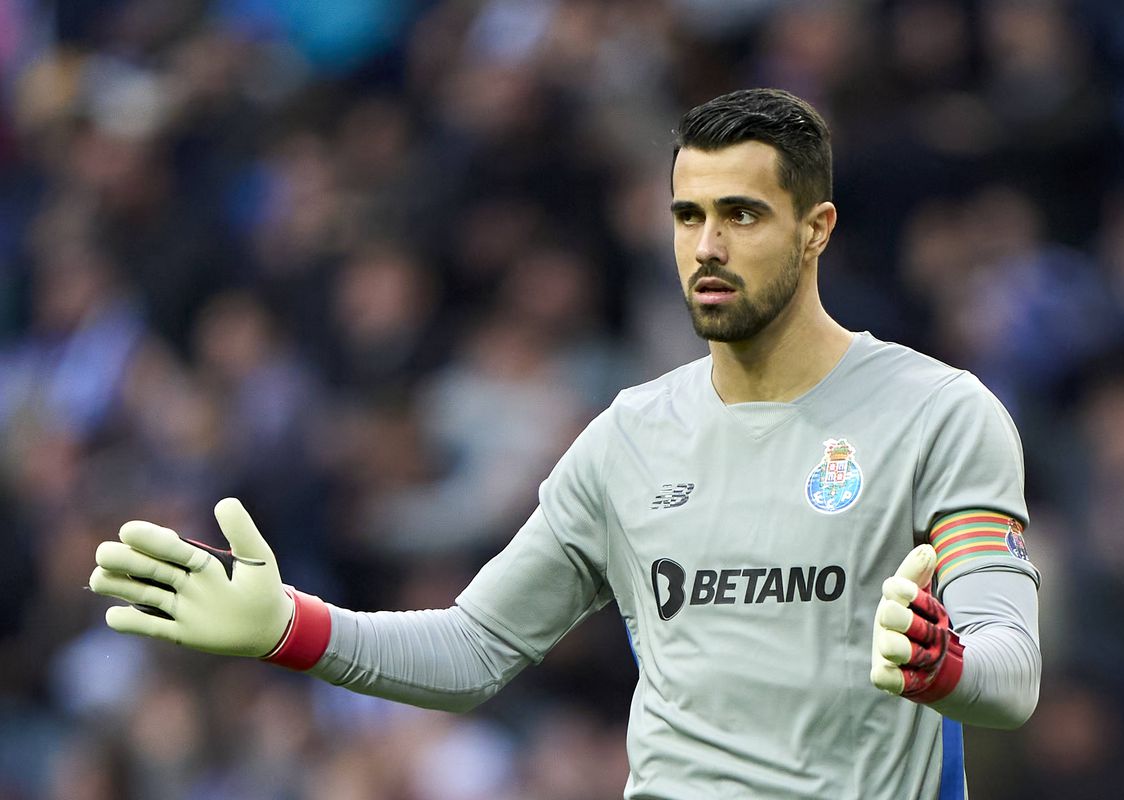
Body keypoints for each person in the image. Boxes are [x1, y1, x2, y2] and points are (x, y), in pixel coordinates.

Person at [89, 88, 1041, 799]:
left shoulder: (937, 415)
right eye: (688, 216)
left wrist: (946, 667)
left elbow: (1012, 667)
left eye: (742, 215)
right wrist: (288, 628)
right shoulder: (629, 437)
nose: (707, 247)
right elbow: (474, 648)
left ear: (815, 229)